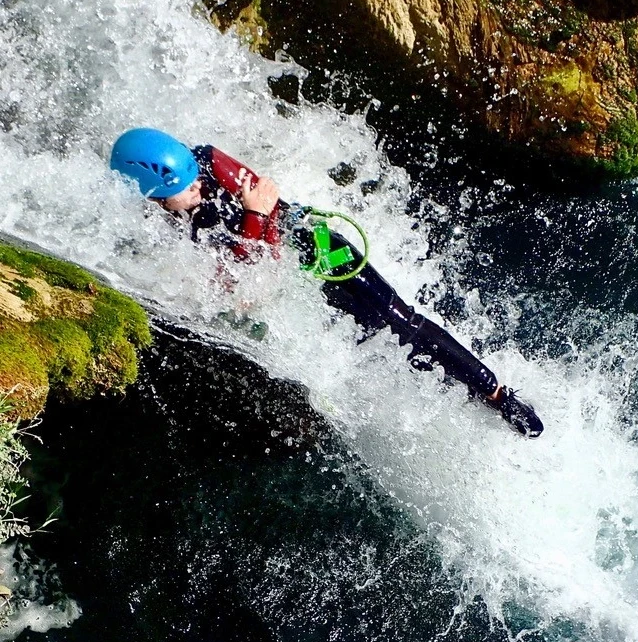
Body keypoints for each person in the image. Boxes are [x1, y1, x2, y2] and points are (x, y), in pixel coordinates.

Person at [110, 128, 543, 437]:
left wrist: (256, 222)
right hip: (290, 280)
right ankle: (452, 390)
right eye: (184, 190)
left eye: (193, 178)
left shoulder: (204, 163)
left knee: (401, 321)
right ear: (151, 195)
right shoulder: (170, 226)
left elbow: (264, 212)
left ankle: (497, 394)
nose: (197, 188)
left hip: (315, 244)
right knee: (372, 345)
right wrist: (254, 224)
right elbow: (235, 276)